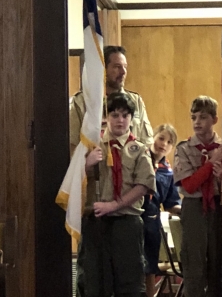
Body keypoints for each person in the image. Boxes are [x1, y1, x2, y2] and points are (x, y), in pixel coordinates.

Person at [81, 92, 156, 297]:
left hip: (127, 222)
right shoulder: (93, 147)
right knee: (96, 282)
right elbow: (73, 180)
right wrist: (86, 164)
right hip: (97, 222)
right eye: (115, 115)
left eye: (125, 115)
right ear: (107, 118)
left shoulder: (138, 150)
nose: (120, 120)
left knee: (129, 284)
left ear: (132, 119)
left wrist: (113, 205)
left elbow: (143, 185)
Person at [173, 95, 222, 297]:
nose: (197, 122)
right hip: (194, 208)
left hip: (219, 205)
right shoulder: (184, 148)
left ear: (215, 120)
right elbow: (189, 185)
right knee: (194, 265)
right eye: (194, 117)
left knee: (221, 262)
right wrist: (210, 165)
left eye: (203, 117)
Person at [69, 45, 153, 154]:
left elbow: (147, 143)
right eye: (117, 67)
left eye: (125, 67)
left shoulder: (135, 101)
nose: (123, 72)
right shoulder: (81, 102)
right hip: (96, 167)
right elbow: (73, 146)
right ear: (103, 69)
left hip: (131, 168)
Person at [141, 124, 181, 297]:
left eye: (169, 142)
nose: (164, 144)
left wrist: (188, 210)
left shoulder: (167, 172)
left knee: (149, 268)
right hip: (133, 217)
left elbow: (171, 203)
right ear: (153, 137)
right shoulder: (139, 159)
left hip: (152, 222)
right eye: (161, 138)